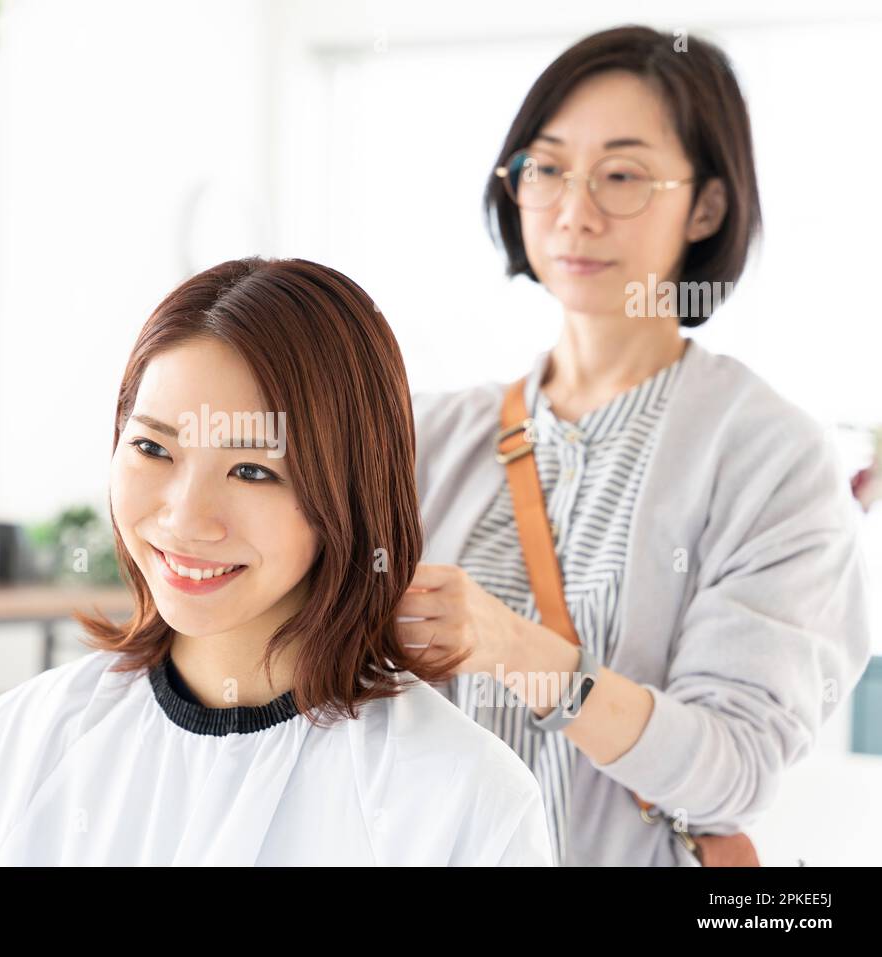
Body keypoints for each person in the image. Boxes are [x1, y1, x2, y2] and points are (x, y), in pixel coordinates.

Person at [0, 256, 553, 866]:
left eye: (252, 470)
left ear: (348, 492)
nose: (185, 517)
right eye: (153, 448)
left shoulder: (460, 799)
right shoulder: (10, 750)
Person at [402, 25, 872, 866]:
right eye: (545, 169)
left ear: (708, 205)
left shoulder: (771, 456)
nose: (575, 212)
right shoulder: (427, 434)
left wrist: (513, 648)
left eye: (621, 175)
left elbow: (731, 771)